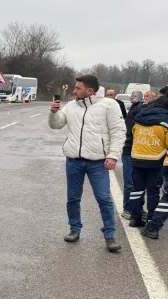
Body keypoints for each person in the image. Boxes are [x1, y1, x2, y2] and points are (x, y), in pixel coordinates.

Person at [49, 75, 126, 252]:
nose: (74, 91)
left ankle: (109, 235)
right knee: (73, 198)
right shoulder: (72, 106)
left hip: (98, 162)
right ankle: (74, 229)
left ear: (90, 91)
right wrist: (53, 113)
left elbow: (118, 131)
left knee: (104, 198)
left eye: (77, 88)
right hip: (74, 161)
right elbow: (56, 125)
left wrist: (113, 155)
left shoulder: (108, 105)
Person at [129, 95, 168, 239]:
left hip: (137, 158)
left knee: (137, 190)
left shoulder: (140, 117)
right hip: (156, 160)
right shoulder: (165, 121)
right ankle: (151, 220)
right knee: (153, 191)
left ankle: (135, 218)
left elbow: (133, 134)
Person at [121, 90, 144, 219]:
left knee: (132, 183)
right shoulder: (136, 109)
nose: (130, 97)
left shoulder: (136, 109)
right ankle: (132, 208)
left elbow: (129, 131)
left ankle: (132, 209)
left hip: (132, 149)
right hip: (132, 149)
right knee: (134, 183)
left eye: (132, 95)